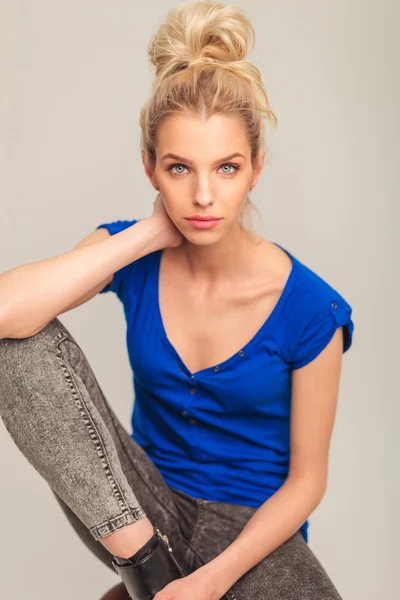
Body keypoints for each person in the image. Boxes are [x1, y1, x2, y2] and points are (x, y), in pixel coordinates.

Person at [0, 1, 354, 599]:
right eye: (180, 168)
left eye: (227, 167)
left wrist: (209, 584)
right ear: (151, 170)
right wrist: (148, 234)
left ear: (256, 169)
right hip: (133, 509)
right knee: (17, 345)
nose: (204, 195)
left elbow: (307, 483)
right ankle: (148, 571)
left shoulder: (312, 309)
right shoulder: (133, 254)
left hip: (252, 535)